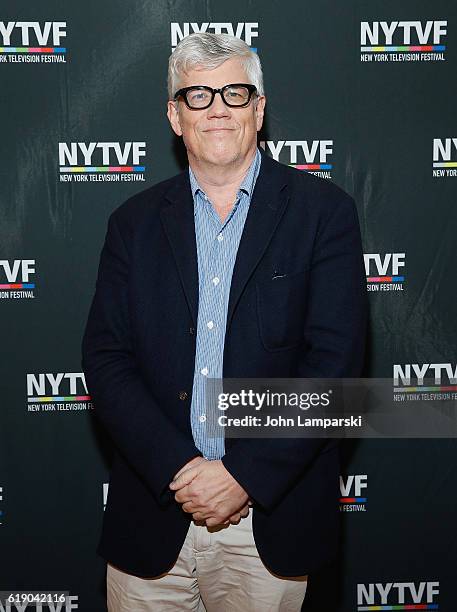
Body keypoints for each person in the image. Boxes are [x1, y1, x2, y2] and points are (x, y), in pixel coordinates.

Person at [82, 32, 367, 611]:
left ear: (259, 110)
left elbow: (334, 371)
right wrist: (181, 468)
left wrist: (243, 475)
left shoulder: (325, 213)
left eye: (235, 93)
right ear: (174, 115)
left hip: (270, 526)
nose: (217, 108)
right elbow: (106, 360)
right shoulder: (131, 224)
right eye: (197, 95)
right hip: (152, 518)